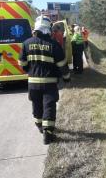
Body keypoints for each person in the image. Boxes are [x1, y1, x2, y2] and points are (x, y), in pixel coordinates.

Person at [19, 16, 71, 144]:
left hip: (33, 83)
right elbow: (62, 65)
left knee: (36, 105)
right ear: (49, 29)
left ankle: (40, 126)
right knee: (49, 106)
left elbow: (22, 63)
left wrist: (29, 71)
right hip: (49, 83)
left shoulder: (26, 43)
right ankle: (48, 133)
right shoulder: (54, 45)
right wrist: (67, 78)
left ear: (36, 28)